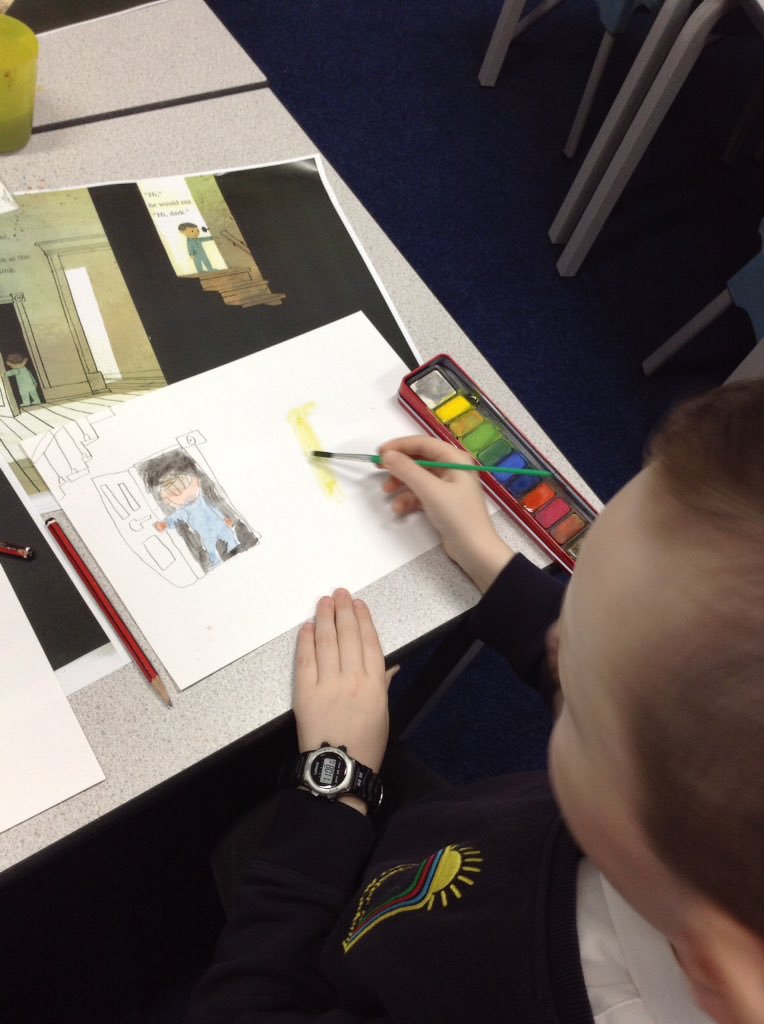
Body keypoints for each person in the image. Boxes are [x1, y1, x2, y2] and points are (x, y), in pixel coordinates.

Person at [185, 380, 764, 1024]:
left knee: (241, 838)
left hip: (344, 940)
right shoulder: (693, 838)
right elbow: (649, 687)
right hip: (448, 842)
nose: (551, 643)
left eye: (568, 677)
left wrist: (335, 783)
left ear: (718, 971)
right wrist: (482, 549)